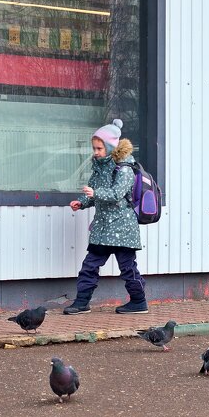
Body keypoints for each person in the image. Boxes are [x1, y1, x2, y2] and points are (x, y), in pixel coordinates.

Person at [63, 119, 148, 315]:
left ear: (110, 147)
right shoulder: (99, 166)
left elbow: (117, 193)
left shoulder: (125, 168)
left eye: (99, 148)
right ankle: (81, 302)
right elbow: (92, 192)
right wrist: (82, 202)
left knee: (127, 268)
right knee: (89, 266)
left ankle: (139, 301)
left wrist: (95, 194)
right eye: (94, 148)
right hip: (102, 228)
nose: (96, 152)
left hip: (122, 229)